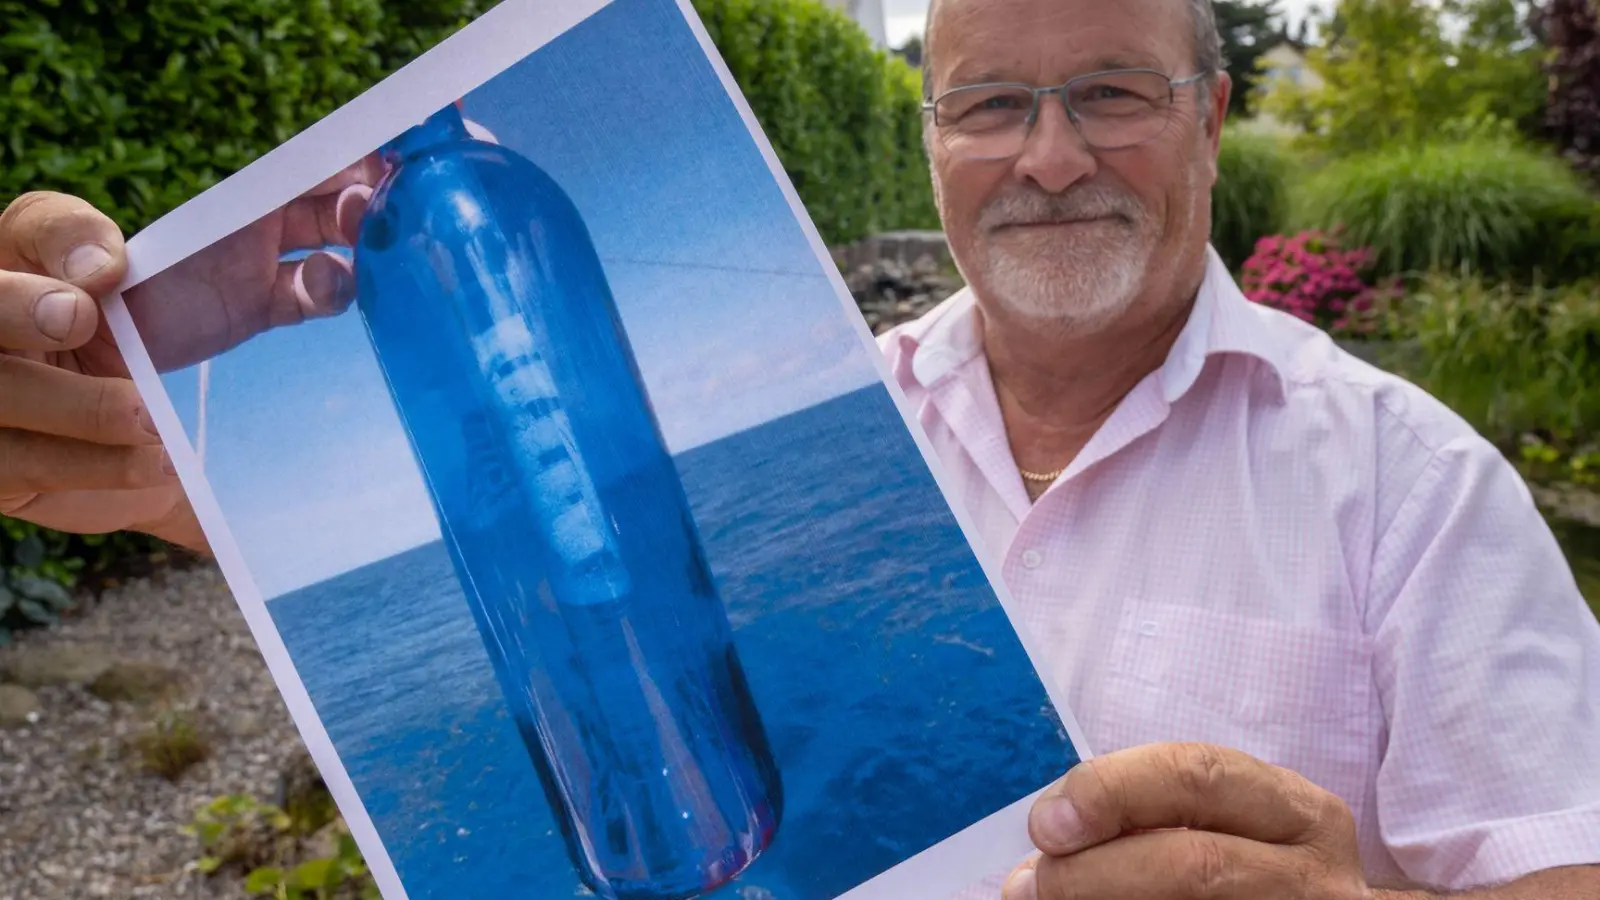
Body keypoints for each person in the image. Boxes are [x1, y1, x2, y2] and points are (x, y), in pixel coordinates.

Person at [0, 0, 1596, 896]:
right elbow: (544, 521)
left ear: (1212, 114)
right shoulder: (855, 410)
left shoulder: (1411, 482)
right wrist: (160, 438)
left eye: (1112, 91)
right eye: (988, 108)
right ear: (930, 140)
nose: (1047, 157)